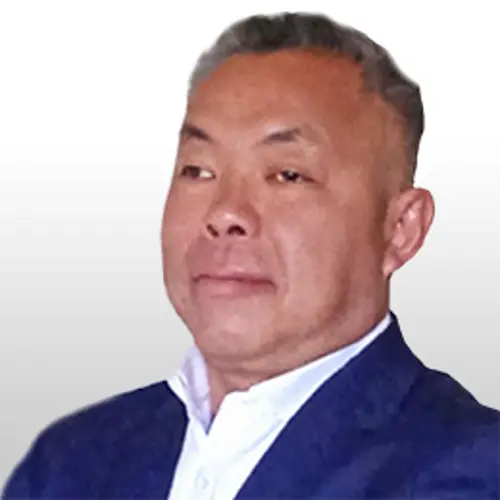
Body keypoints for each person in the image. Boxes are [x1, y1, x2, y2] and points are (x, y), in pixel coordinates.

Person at [3, 11, 499, 500]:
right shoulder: (71, 463)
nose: (224, 213)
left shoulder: (470, 469)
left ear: (400, 229)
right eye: (198, 171)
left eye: (287, 175)